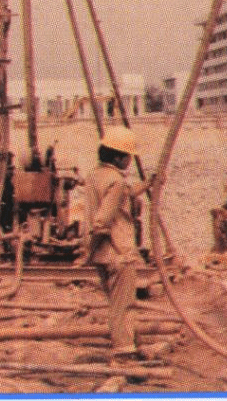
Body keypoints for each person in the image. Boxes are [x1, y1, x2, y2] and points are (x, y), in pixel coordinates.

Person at [80, 126, 155, 360]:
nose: (129, 161)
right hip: (118, 252)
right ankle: (124, 351)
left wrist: (148, 183)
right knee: (123, 305)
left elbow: (125, 194)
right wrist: (93, 247)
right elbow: (102, 220)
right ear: (118, 157)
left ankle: (130, 343)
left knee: (117, 302)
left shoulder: (95, 175)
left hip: (103, 255)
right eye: (128, 156)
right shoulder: (116, 181)